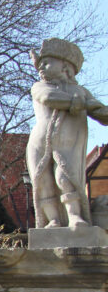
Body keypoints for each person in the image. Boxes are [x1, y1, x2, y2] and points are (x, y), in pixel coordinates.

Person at [27, 38, 108, 228]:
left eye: (47, 62)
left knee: (65, 178)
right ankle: (54, 219)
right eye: (40, 63)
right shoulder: (40, 86)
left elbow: (101, 112)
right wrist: (78, 103)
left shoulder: (80, 91)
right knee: (44, 182)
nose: (41, 67)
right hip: (38, 144)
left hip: (68, 146)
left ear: (65, 66)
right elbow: (48, 98)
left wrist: (94, 108)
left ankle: (74, 216)